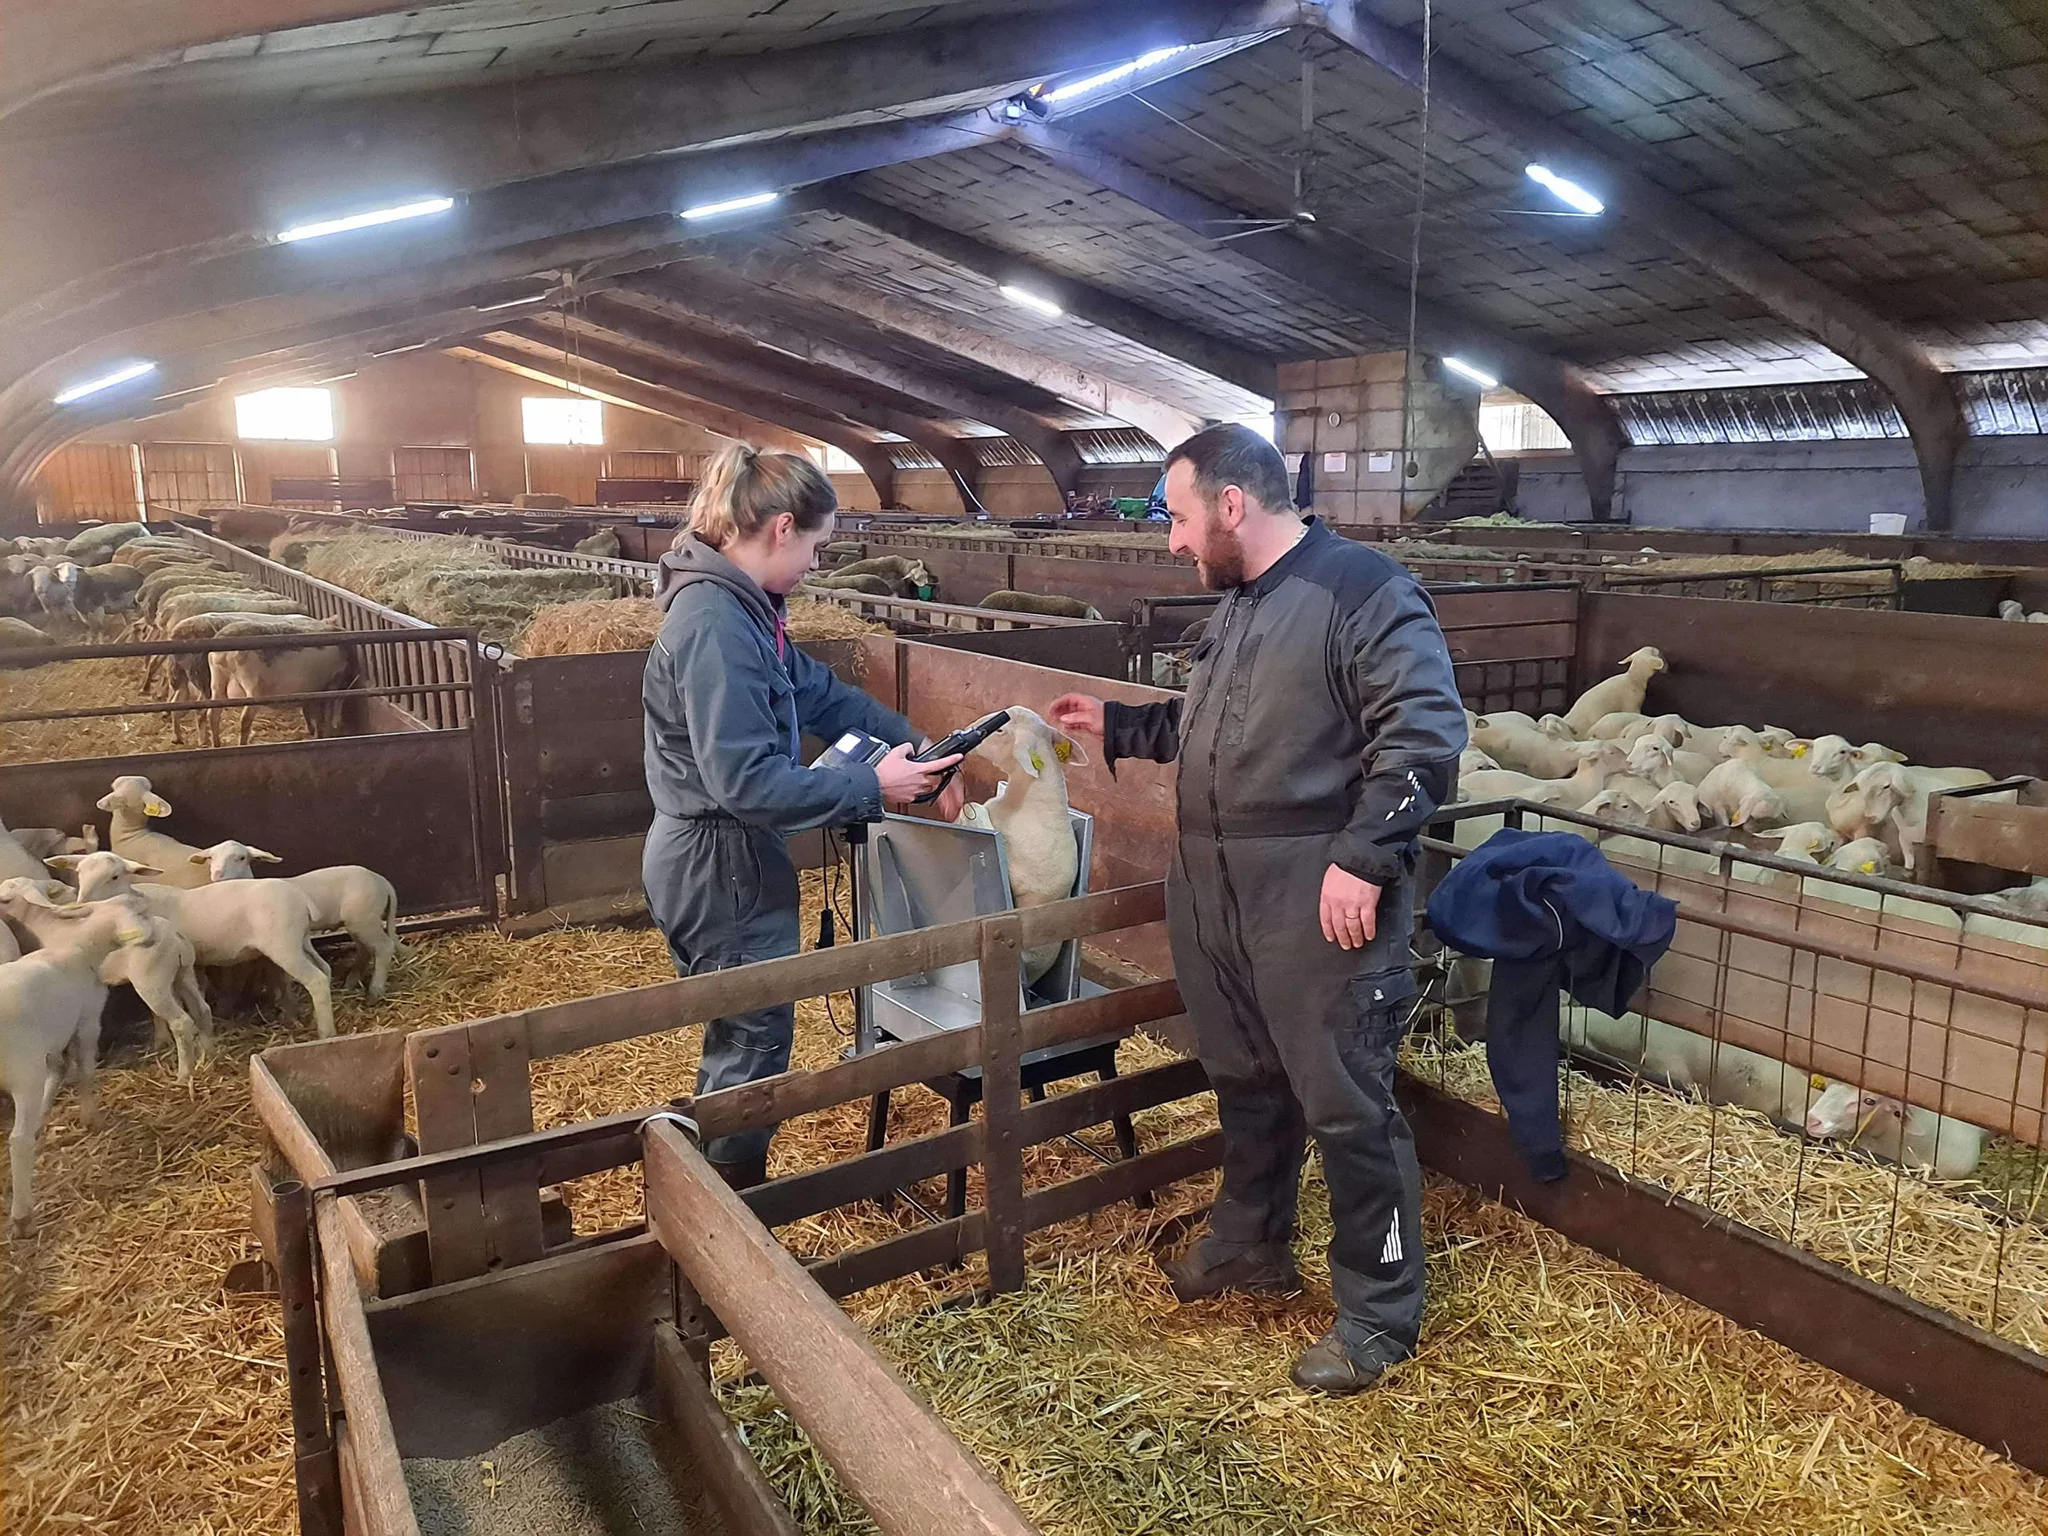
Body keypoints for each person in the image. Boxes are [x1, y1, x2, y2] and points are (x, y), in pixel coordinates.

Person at [1049, 423, 1466, 1394]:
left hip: (1312, 893)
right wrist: (1121, 726)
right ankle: (1248, 1244)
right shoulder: (1235, 606)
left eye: (1180, 517)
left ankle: (1375, 1315)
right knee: (1243, 1079)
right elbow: (1215, 728)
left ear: (1231, 506)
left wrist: (1365, 857)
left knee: (1345, 1102)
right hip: (1218, 890)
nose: (1172, 541)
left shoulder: (1361, 591)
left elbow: (1424, 730)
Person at [642, 444, 964, 1189]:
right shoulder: (717, 625)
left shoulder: (749, 611)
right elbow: (745, 783)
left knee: (745, 1031)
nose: (819, 564)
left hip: (731, 854)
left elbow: (818, 693)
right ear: (782, 527)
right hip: (718, 859)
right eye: (817, 547)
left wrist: (908, 741)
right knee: (753, 1040)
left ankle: (718, 1198)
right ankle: (732, 1225)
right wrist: (868, 784)